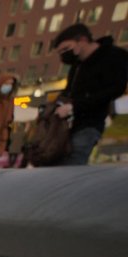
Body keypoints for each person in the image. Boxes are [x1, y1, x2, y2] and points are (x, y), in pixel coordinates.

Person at [52, 23, 128, 166]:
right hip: (68, 126)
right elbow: (69, 90)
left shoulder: (115, 56)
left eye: (66, 48)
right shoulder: (78, 64)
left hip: (90, 123)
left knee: (74, 163)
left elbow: (115, 89)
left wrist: (74, 106)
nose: (64, 54)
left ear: (82, 41)